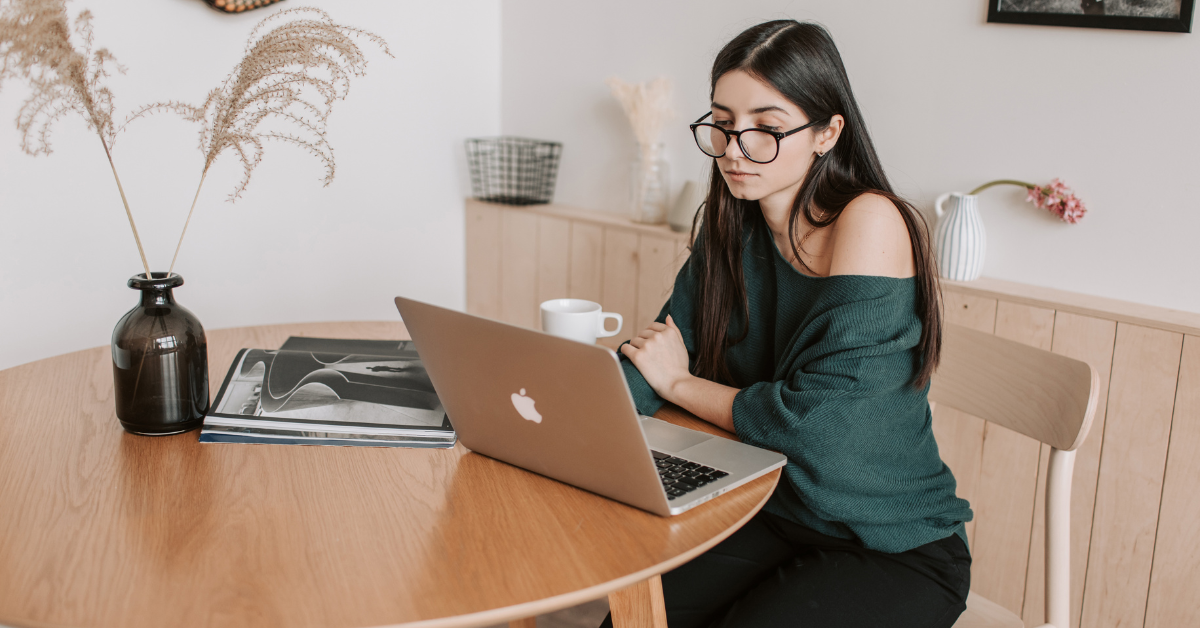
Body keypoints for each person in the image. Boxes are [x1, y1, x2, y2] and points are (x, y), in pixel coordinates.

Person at [597, 20, 973, 628]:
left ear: (828, 132)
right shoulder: (729, 224)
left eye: (767, 129)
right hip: (768, 509)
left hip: (886, 541)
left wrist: (680, 387)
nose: (734, 149)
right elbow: (658, 355)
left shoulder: (870, 219)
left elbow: (819, 429)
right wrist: (570, 411)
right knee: (630, 619)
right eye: (721, 124)